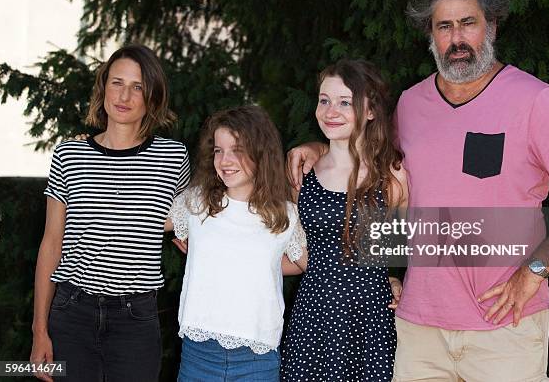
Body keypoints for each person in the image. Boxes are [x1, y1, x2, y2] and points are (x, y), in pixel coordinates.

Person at [289, 0, 549, 382]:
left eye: (468, 23)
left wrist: (535, 272)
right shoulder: (409, 104)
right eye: (444, 26)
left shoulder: (536, 101)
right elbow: (378, 181)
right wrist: (317, 149)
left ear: (490, 26)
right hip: (418, 331)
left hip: (503, 329)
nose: (456, 38)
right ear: (431, 35)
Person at [30, 44, 191, 382]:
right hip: (71, 312)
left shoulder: (173, 157)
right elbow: (51, 243)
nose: (125, 96)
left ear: (153, 97)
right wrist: (39, 330)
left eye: (138, 87)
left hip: (136, 319)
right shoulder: (69, 153)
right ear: (103, 87)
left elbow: (190, 219)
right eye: (117, 83)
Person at [280, 59, 408, 381]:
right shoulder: (303, 174)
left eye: (345, 102)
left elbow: (400, 250)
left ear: (370, 110)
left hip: (370, 320)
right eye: (324, 100)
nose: (330, 111)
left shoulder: (391, 176)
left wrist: (398, 282)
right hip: (313, 317)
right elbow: (298, 255)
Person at [165, 105, 307, 381]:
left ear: (260, 152)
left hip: (257, 360)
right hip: (198, 356)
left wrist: (387, 278)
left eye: (237, 149)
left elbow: (309, 265)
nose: (225, 160)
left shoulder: (286, 214)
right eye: (219, 150)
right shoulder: (197, 202)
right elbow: (139, 219)